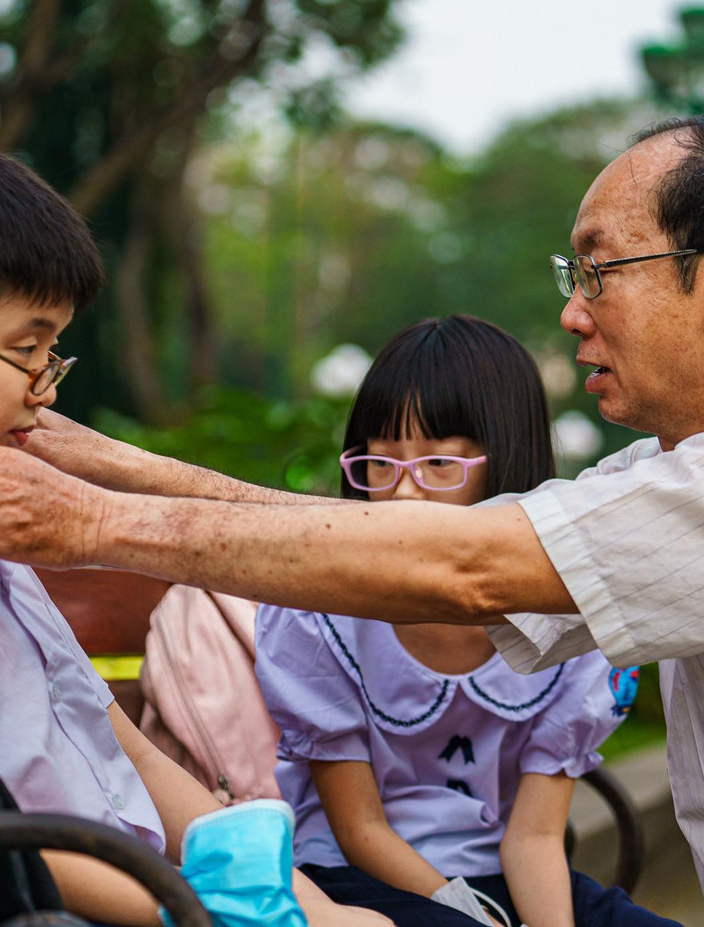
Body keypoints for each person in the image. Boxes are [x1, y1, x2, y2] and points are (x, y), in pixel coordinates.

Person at [0, 117, 704, 925]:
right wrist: (116, 467)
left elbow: (461, 566)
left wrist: (90, 520)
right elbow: (407, 542)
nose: (571, 312)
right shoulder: (688, 473)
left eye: (601, 272)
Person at [0, 137, 388, 927]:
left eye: (52, 353)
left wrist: (302, 903)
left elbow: (120, 741)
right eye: (26, 349)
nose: (45, 389)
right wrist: (200, 912)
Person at [255, 315, 676, 927]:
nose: (402, 495)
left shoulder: (569, 624)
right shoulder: (324, 618)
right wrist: (467, 910)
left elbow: (534, 839)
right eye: (379, 465)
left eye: (438, 466)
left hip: (503, 871)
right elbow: (361, 829)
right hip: (355, 879)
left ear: (506, 464)